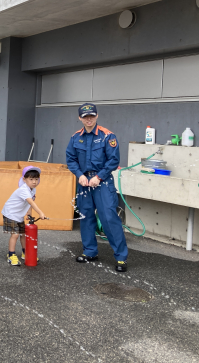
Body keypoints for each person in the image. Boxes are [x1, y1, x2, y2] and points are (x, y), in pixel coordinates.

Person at [66, 103, 128, 272]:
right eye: (85, 117)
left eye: (92, 116)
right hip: (84, 182)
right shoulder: (75, 138)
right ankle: (90, 252)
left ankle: (121, 257)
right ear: (80, 118)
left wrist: (99, 176)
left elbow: (113, 160)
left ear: (97, 116)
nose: (89, 119)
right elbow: (71, 159)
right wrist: (80, 175)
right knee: (86, 218)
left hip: (103, 182)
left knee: (109, 218)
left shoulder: (108, 136)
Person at [2, 166, 46, 266]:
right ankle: (11, 254)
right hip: (10, 213)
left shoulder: (32, 189)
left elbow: (30, 202)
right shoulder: (24, 189)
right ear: (24, 179)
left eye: (36, 179)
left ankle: (25, 252)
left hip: (19, 214)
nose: (34, 182)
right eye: (31, 179)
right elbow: (30, 201)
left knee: (23, 234)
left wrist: (29, 213)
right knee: (15, 234)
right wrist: (40, 213)